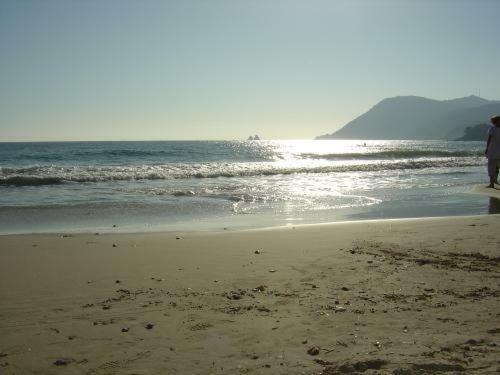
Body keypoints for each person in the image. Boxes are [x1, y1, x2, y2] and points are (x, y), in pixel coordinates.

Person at [485, 115, 500, 188]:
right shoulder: (492, 129)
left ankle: (493, 183)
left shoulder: (492, 129)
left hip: (493, 151)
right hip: (493, 151)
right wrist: (487, 148)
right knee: (492, 167)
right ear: (496, 121)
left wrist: (487, 149)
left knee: (493, 167)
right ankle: (492, 183)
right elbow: (489, 140)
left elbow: (489, 140)